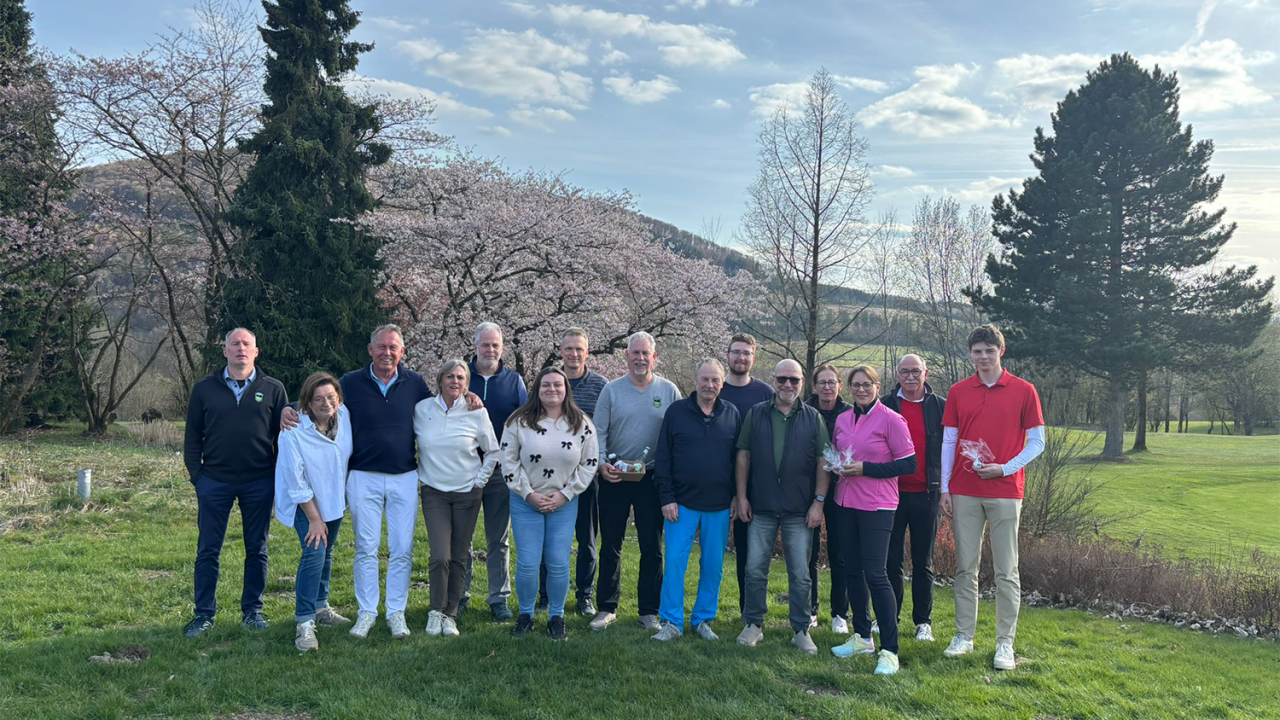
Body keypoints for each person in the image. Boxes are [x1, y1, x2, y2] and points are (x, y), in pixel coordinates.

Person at [280, 325, 480, 639]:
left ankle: (396, 612)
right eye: (381, 347)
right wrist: (288, 409)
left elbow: (440, 408)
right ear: (370, 350)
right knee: (366, 549)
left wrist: (466, 395)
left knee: (402, 549)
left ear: (402, 352)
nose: (387, 353)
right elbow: (321, 399)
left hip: (404, 476)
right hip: (363, 477)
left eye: (393, 348)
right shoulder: (351, 382)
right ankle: (367, 612)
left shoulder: (413, 382)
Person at [941, 324, 1045, 671]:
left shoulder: (1024, 391)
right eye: (977, 351)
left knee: (1006, 571)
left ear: (1001, 351)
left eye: (989, 350)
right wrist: (944, 487)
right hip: (964, 490)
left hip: (1004, 491)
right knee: (964, 568)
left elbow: (1037, 443)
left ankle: (1005, 644)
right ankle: (963, 636)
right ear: (970, 354)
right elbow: (949, 442)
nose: (983, 357)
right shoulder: (958, 391)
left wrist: (1004, 468)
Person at [182, 328, 288, 638]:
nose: (241, 349)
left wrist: (277, 477)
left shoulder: (273, 388)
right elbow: (192, 437)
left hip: (259, 482)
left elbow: (284, 438)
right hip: (214, 482)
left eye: (247, 344)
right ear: (225, 351)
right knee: (208, 550)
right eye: (235, 344)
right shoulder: (204, 389)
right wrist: (197, 478)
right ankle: (203, 615)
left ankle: (252, 611)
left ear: (256, 352)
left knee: (257, 549)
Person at [734, 359, 830, 655]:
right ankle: (753, 624)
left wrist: (818, 503)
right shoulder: (757, 414)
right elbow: (743, 457)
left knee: (800, 573)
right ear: (773, 380)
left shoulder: (813, 418)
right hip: (760, 506)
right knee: (754, 568)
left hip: (799, 509)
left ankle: (800, 629)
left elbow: (823, 462)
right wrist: (742, 497)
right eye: (782, 380)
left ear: (802, 382)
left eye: (794, 380)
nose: (787, 385)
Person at [590, 331, 682, 631]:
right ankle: (606, 607)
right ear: (626, 356)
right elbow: (598, 432)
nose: (640, 358)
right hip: (615, 476)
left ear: (654, 357)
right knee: (611, 543)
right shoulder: (611, 391)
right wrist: (602, 464)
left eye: (646, 353)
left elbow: (677, 436)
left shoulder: (669, 391)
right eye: (635, 353)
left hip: (651, 479)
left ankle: (649, 611)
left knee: (651, 546)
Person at [828, 365, 916, 676]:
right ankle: (863, 637)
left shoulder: (892, 420)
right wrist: (838, 466)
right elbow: (840, 454)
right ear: (849, 387)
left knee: (876, 575)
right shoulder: (842, 419)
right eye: (856, 385)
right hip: (845, 502)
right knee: (852, 570)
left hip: (877, 506)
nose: (862, 389)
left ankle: (890, 650)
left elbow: (909, 464)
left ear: (878, 386)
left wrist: (867, 469)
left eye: (868, 384)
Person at [502, 367, 600, 641]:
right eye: (546, 385)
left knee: (558, 562)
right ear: (537, 389)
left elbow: (589, 463)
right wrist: (527, 493)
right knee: (528, 563)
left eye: (558, 385)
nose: (552, 390)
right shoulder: (518, 422)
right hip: (526, 501)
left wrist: (566, 494)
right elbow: (508, 461)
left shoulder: (581, 424)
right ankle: (526, 615)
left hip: (564, 502)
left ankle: (556, 616)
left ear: (566, 389)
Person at [650, 359, 740, 642]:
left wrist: (738, 495)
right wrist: (667, 497)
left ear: (721, 385)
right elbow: (663, 458)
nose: (710, 385)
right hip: (681, 504)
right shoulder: (677, 412)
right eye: (705, 379)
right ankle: (672, 621)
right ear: (695, 380)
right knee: (675, 561)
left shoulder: (732, 414)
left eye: (715, 381)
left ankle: (702, 620)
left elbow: (739, 460)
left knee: (713, 565)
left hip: (719, 505)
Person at [414, 359, 499, 639]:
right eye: (449, 376)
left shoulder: (476, 412)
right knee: (440, 556)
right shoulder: (422, 409)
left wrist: (479, 482)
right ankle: (435, 611)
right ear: (439, 380)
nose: (455, 381)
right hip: (434, 492)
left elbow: (493, 451)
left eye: (461, 378)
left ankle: (450, 614)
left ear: (467, 384)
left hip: (467, 494)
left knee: (460, 556)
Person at [274, 372, 353, 652]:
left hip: (333, 500)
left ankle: (321, 606)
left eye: (331, 397)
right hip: (304, 503)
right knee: (314, 553)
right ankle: (305, 623)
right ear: (306, 403)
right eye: (318, 399)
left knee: (327, 553)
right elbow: (296, 480)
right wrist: (315, 518)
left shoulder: (344, 418)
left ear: (339, 399)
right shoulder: (293, 430)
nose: (325, 403)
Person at [536, 327, 610, 617]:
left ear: (587, 352)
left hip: (586, 476)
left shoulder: (601, 385)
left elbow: (603, 430)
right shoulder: (548, 381)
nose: (574, 354)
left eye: (579, 349)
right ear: (561, 351)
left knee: (587, 538)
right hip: (549, 475)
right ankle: (545, 596)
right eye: (568, 348)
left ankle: (584, 596)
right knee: (547, 538)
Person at [463, 322, 528, 622]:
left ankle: (498, 598)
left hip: (500, 472)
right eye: (485, 344)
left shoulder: (514, 381)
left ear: (502, 348)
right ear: (475, 346)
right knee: (461, 537)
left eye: (495, 345)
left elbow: (526, 425)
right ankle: (459, 594)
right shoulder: (460, 377)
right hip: (463, 469)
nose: (490, 350)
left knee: (498, 538)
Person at [879, 354, 945, 643]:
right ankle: (889, 618)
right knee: (890, 560)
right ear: (897, 374)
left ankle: (923, 622)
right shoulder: (884, 405)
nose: (910, 376)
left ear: (926, 373)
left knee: (923, 561)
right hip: (890, 494)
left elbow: (949, 449)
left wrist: (946, 489)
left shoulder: (940, 407)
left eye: (915, 371)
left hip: (927, 495)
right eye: (904, 371)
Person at [717, 333, 774, 618]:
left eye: (746, 353)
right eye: (736, 352)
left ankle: (748, 611)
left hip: (754, 486)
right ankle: (704, 613)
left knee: (750, 553)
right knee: (711, 553)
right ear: (727, 355)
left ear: (754, 358)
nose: (741, 357)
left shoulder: (765, 393)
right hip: (715, 482)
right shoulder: (715, 388)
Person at [805, 363, 853, 634]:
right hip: (807, 490)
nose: (826, 387)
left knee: (840, 554)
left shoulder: (849, 413)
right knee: (808, 554)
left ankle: (839, 614)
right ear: (814, 386)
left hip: (843, 491)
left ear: (839, 386)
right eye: (821, 382)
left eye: (831, 382)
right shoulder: (804, 412)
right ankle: (810, 610)